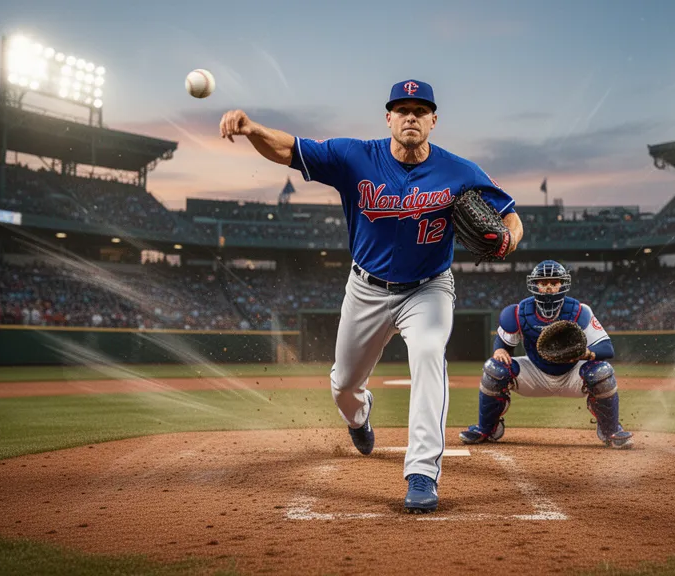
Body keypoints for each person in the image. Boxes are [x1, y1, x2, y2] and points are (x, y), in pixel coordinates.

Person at [220, 79, 524, 513]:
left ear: (434, 120)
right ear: (389, 118)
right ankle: (358, 417)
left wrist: (509, 240)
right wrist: (252, 129)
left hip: (428, 288)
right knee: (344, 384)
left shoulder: (461, 171)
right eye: (402, 109)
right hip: (365, 288)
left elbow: (511, 216)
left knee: (428, 354)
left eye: (421, 110)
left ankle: (421, 472)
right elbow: (290, 150)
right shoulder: (354, 156)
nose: (411, 116)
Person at [458, 260, 634, 449]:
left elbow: (607, 348)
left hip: (571, 374)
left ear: (562, 284)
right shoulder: (519, 312)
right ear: (535, 285)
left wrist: (587, 353)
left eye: (554, 282)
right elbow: (504, 343)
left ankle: (611, 430)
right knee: (494, 369)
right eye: (543, 283)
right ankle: (486, 429)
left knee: (602, 372)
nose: (549, 287)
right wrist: (500, 349)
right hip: (534, 372)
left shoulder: (579, 311)